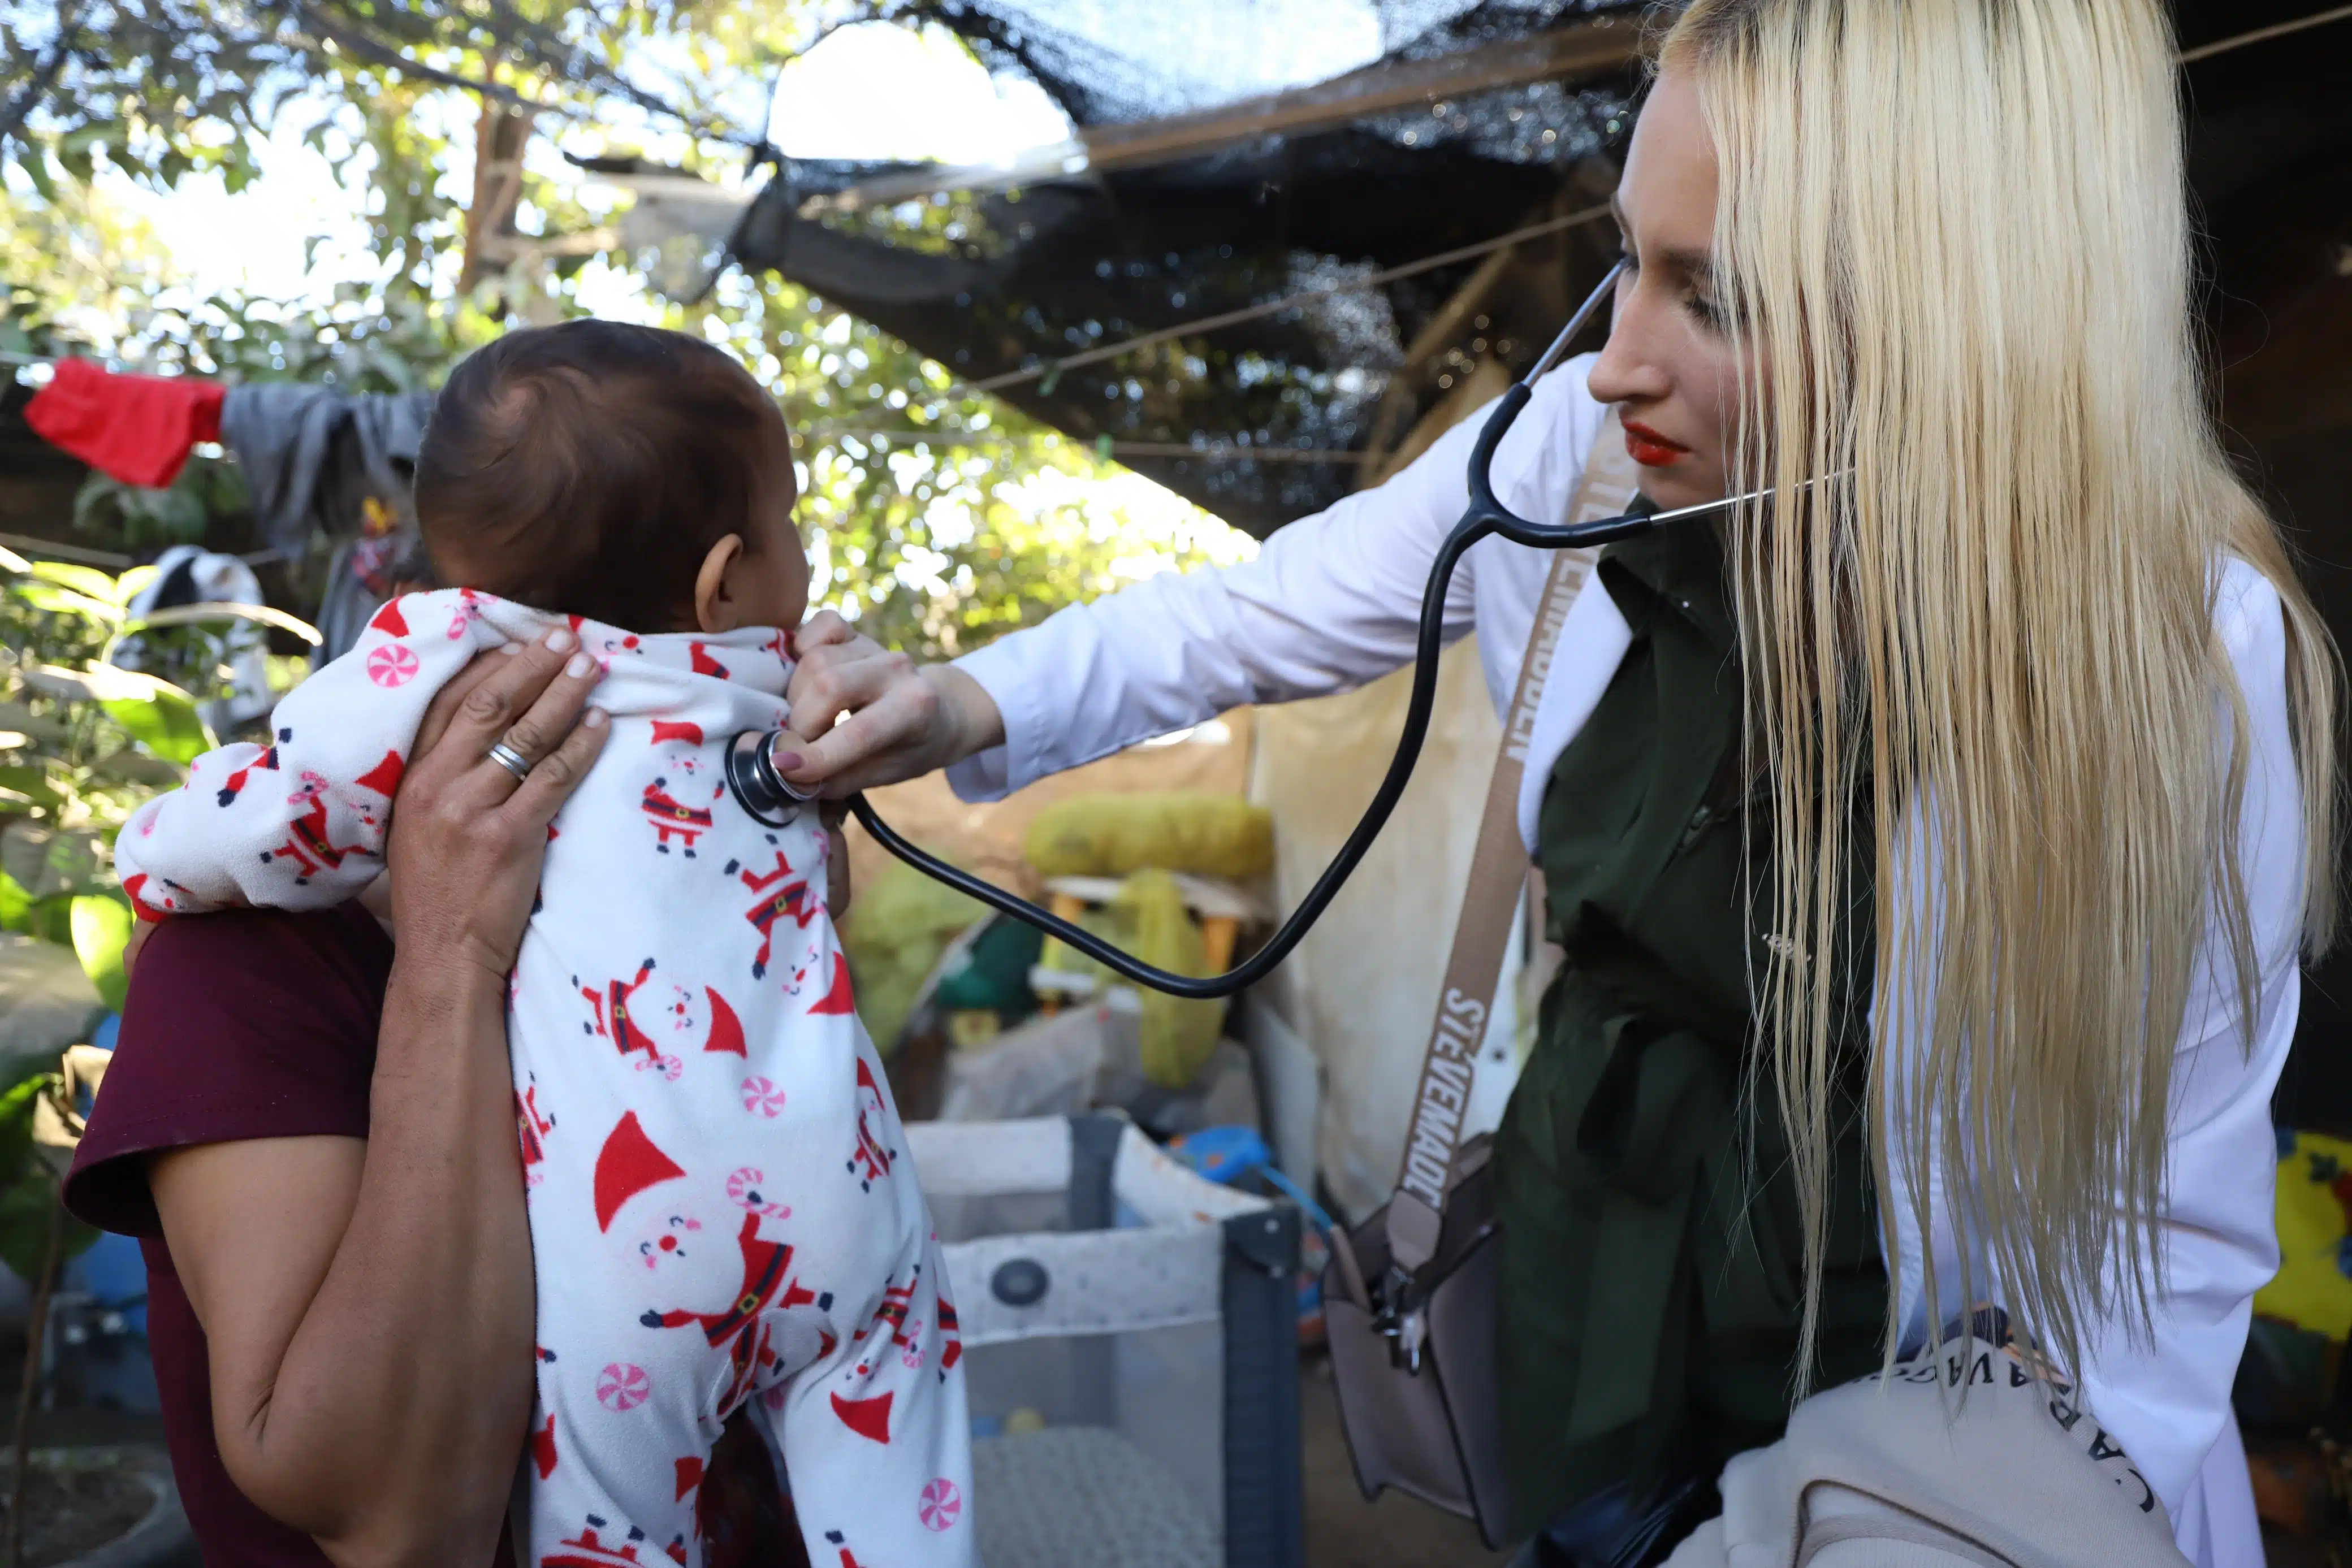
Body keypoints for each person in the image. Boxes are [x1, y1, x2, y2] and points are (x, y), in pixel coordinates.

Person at [769, 2, 2340, 1565]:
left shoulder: (2177, 663)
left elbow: (2161, 1249)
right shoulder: (1576, 469)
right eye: (1627, 262)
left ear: (1961, 319)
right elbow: (1257, 611)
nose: (1612, 364)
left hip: (1899, 1436)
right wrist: (964, 696)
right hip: (1587, 1290)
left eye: (1713, 297)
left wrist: (1974, 1528)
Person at [97, 321, 972, 1568]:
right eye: (792, 521)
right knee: (898, 1473)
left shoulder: (435, 658)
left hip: (639, 1265)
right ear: (724, 576)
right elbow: (398, 1530)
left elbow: (283, 808)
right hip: (840, 1216)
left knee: (610, 1528)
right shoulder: (760, 685)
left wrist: (157, 848)